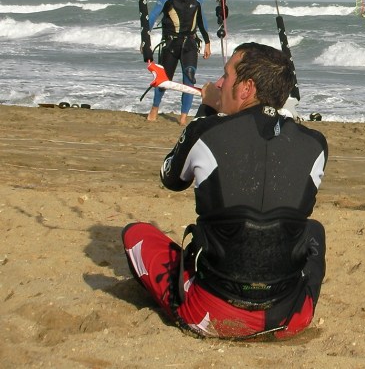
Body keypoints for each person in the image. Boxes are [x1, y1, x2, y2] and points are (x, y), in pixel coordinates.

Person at [122, 42, 328, 339]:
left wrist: (207, 109)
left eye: (226, 75)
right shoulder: (316, 144)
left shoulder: (205, 131)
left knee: (135, 234)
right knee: (313, 229)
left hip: (213, 313)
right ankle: (295, 311)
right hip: (289, 317)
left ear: (246, 88)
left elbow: (171, 178)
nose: (219, 84)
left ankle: (200, 308)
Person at [147, 0, 211, 125]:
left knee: (189, 78)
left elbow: (201, 20)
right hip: (171, 44)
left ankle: (183, 116)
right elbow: (153, 16)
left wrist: (207, 42)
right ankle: (155, 108)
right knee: (164, 79)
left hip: (190, 44)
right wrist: (145, 39)